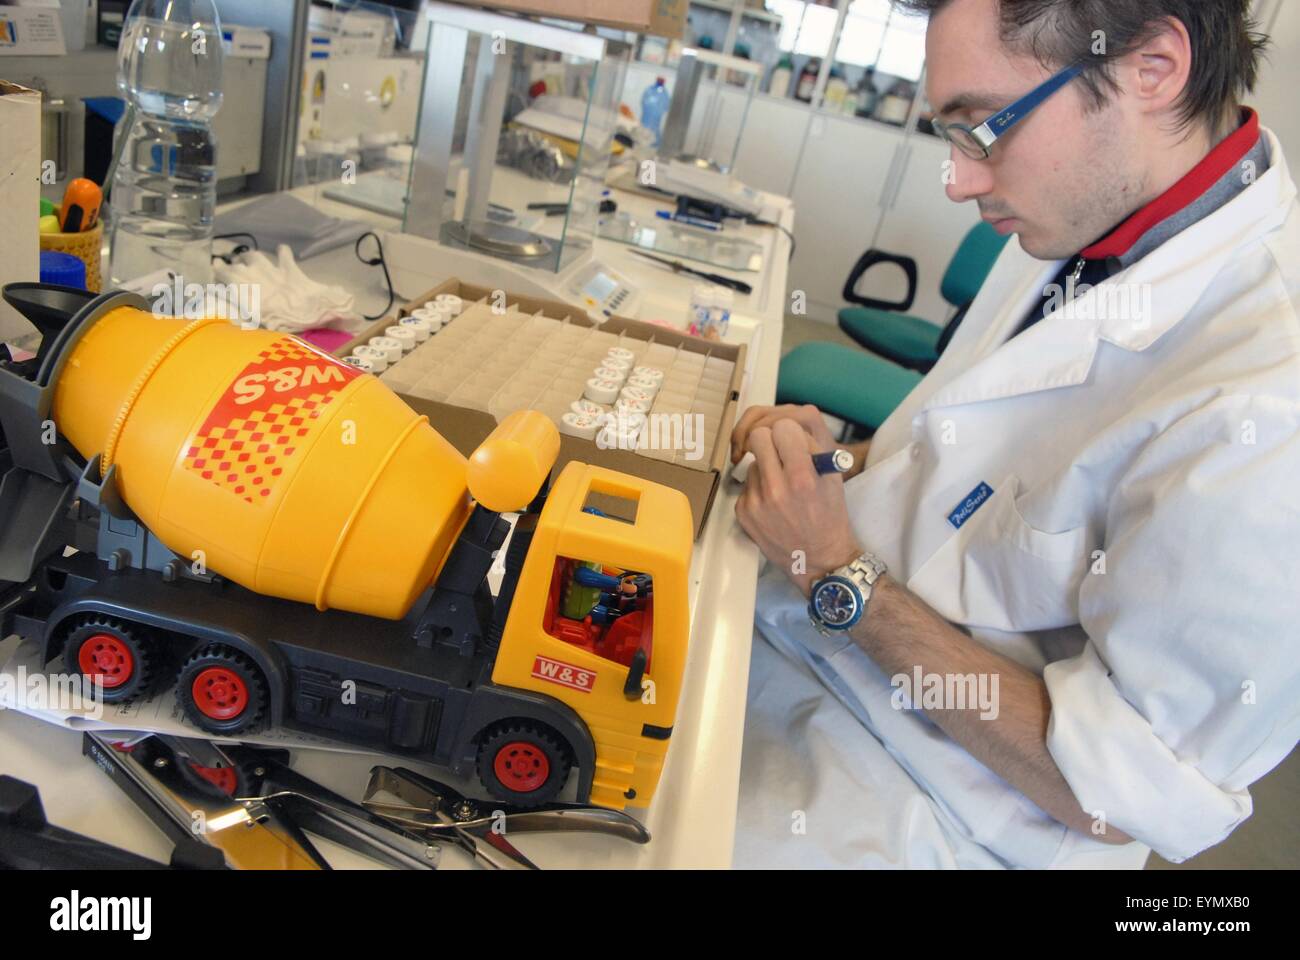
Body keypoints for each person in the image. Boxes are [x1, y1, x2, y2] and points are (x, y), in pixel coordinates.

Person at [729, 0, 1299, 868]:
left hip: (936, 806)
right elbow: (965, 473)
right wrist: (821, 469)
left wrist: (838, 574)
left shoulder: (1268, 399)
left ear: (1153, 69)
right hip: (808, 655)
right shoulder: (1080, 214)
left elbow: (1115, 792)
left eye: (982, 128)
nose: (959, 182)